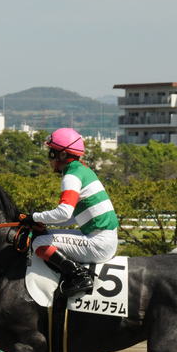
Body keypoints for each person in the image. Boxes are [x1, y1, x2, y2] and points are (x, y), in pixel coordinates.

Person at [19, 127, 119, 297]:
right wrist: (43, 222)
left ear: (63, 155)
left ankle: (79, 276)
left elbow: (64, 213)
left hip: (99, 243)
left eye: (52, 152)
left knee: (39, 243)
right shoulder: (83, 170)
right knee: (43, 234)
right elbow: (72, 216)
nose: (49, 158)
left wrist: (33, 217)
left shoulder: (71, 176)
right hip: (103, 238)